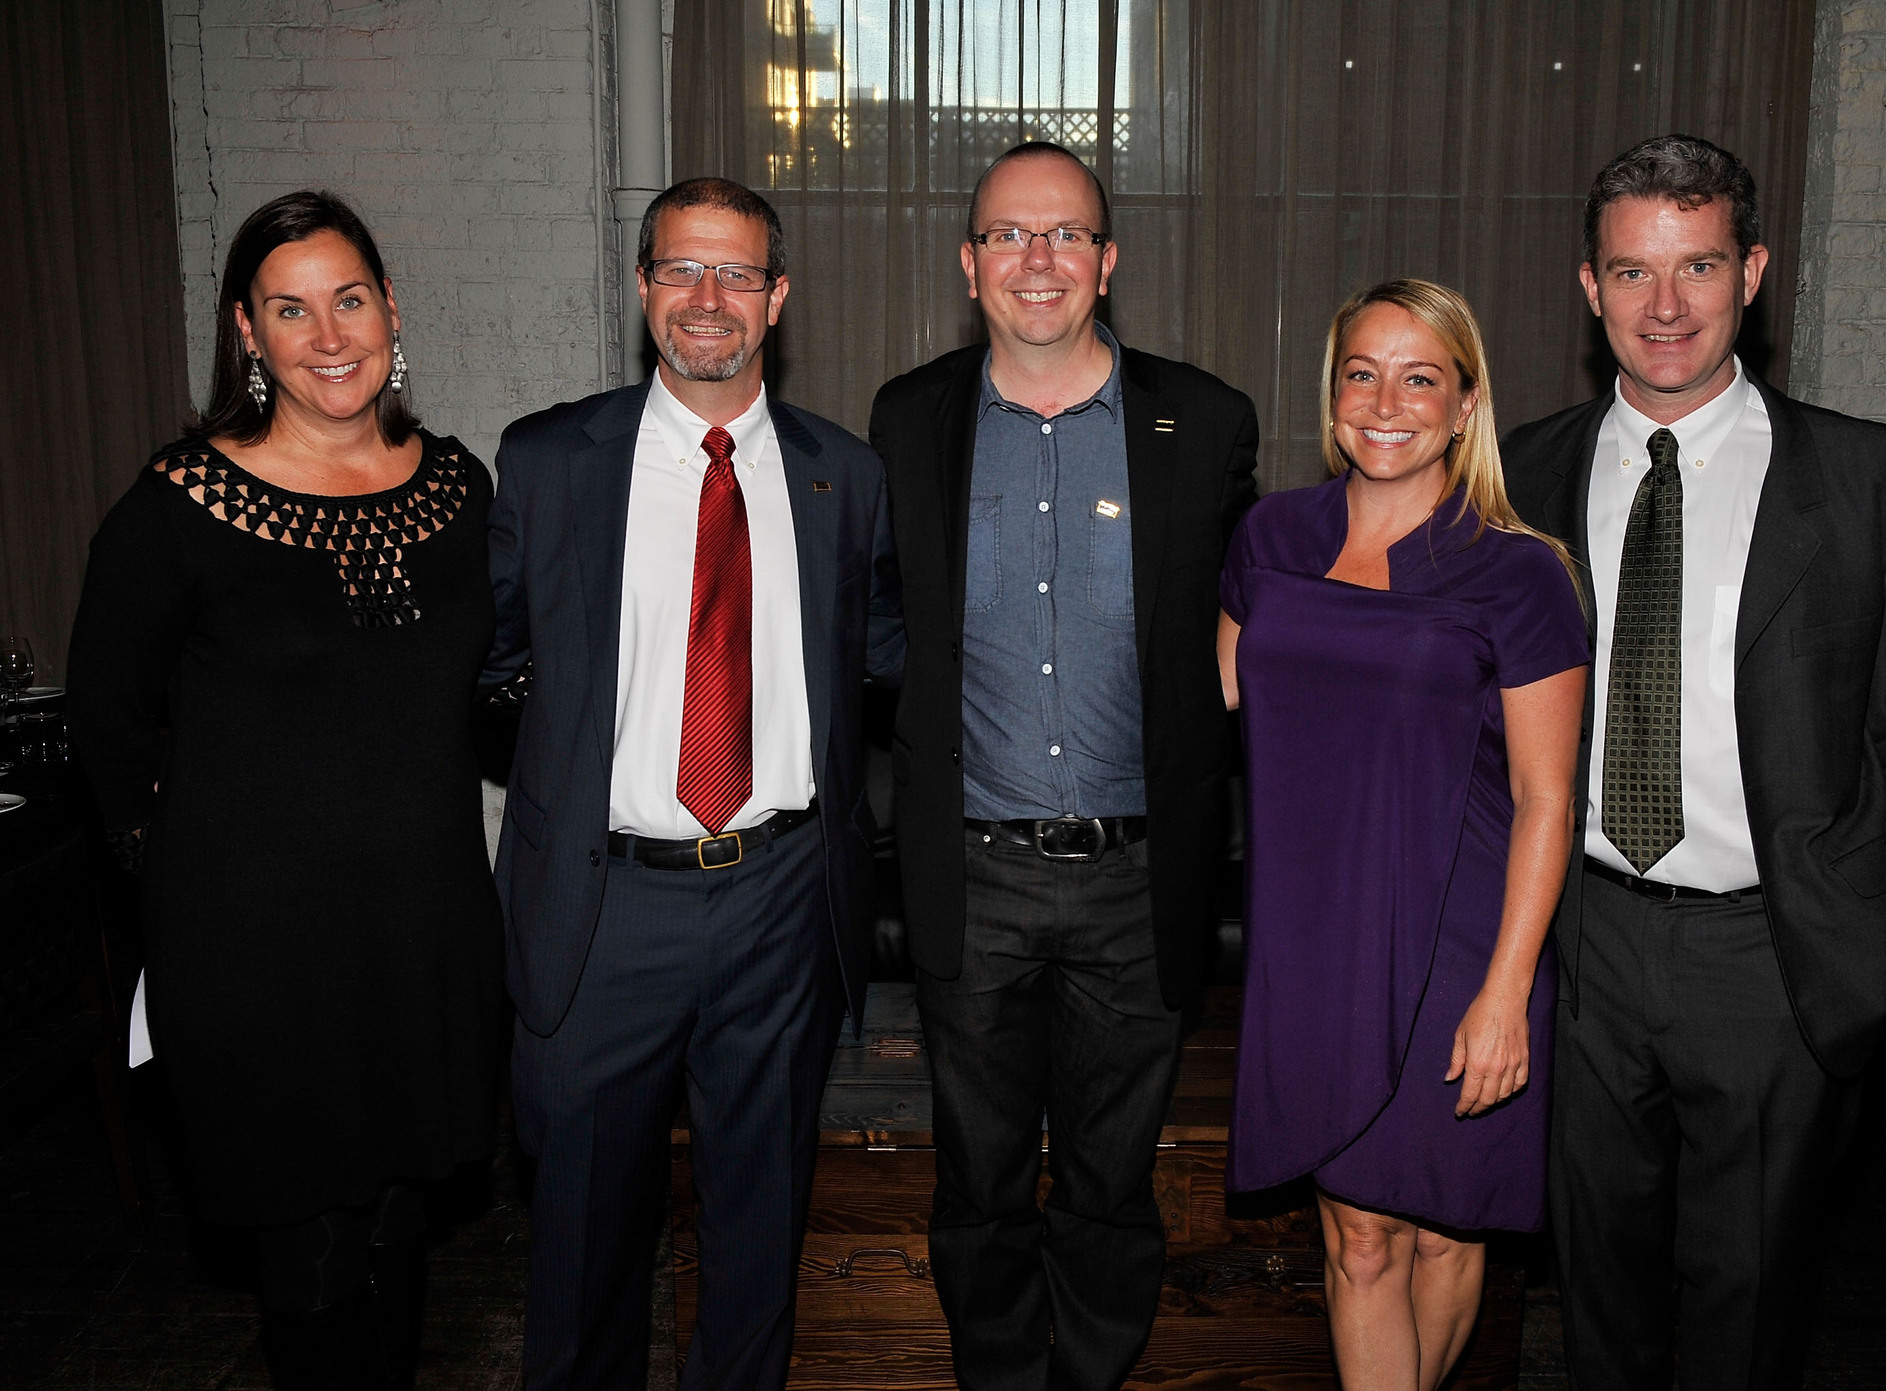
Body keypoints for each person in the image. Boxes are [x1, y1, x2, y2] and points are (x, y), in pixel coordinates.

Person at [1500, 133, 1886, 1389]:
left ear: (1751, 271)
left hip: (1774, 956)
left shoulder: (1873, 481)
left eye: (1697, 265)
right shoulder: (1513, 478)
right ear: (1586, 286)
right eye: (1632, 271)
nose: (1665, 306)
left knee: (1749, 1302)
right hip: (1581, 943)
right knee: (1591, 1289)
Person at [67, 190, 502, 1389]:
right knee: (309, 1260)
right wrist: (192, 890)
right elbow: (104, 722)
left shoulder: (457, 491)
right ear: (247, 334)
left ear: (391, 309)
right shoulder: (179, 508)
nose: (328, 334)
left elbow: (494, 685)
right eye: (290, 309)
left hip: (422, 937)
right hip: (259, 961)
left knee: (403, 1233)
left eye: (349, 299)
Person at [483, 176, 902, 1391]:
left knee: (757, 1241)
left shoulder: (845, 474)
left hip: (780, 903)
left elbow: (886, 656)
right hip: (603, 908)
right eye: (679, 269)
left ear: (775, 297)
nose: (704, 298)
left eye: (733, 273)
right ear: (642, 289)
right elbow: (486, 662)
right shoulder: (552, 460)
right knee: (580, 1251)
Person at [866, 140, 1258, 1390]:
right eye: (1009, 236)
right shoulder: (906, 417)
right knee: (975, 1180)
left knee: (1109, 1181)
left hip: (1135, 883)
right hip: (970, 876)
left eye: (1066, 235)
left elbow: (1261, 613)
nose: (1038, 261)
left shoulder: (1201, 422)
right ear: (968, 260)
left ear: (1107, 260)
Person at [1218, 280, 1588, 1390]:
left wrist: (1506, 991)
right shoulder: (1270, 532)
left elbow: (1544, 800)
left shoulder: (1520, 570)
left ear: (1464, 403)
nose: (1385, 401)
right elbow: (1235, 701)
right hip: (1318, 945)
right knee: (1357, 1235)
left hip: (1462, 939)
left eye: (1419, 376)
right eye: (1360, 373)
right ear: (1330, 392)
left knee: (1440, 1228)